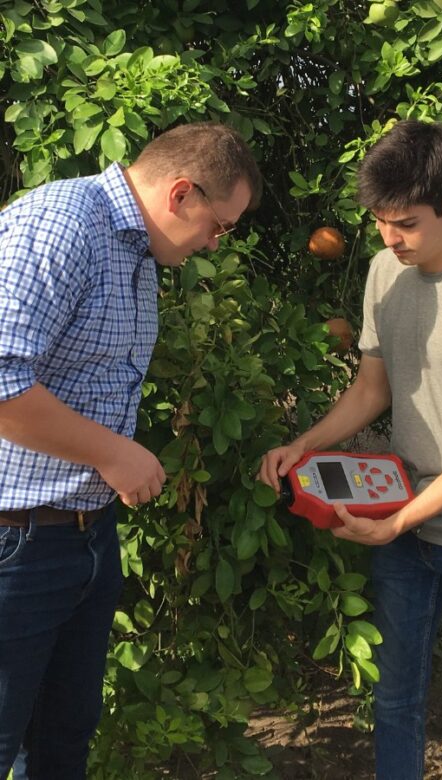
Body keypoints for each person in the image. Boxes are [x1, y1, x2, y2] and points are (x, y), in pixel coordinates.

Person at [0, 121, 262, 780]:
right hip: (15, 544)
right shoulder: (61, 227)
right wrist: (112, 453)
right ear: (181, 194)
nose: (214, 242)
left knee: (62, 745)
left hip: (84, 540)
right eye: (220, 226)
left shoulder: (141, 255)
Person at [260, 120, 442, 780]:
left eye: (404, 223)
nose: (389, 238)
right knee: (395, 700)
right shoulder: (384, 271)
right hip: (403, 518)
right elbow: (371, 389)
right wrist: (305, 444)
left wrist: (398, 522)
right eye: (378, 221)